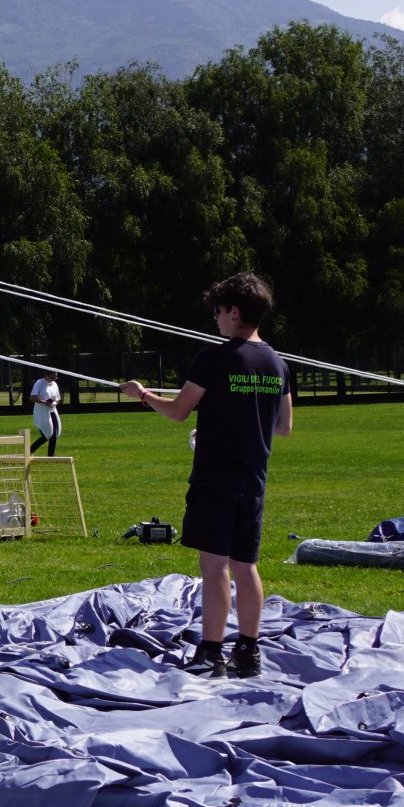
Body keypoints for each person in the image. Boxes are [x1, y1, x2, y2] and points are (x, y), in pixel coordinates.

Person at [121, 273, 292, 678]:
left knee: (215, 567)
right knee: (246, 565)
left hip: (216, 478)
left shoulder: (214, 358)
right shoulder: (277, 362)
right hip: (253, 479)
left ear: (234, 312)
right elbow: (283, 426)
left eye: (217, 312)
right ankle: (248, 652)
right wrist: (229, 423)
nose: (215, 320)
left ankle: (211, 651)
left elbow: (179, 410)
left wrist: (142, 395)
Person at [28, 374, 63, 456]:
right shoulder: (39, 383)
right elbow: (32, 397)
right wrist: (45, 402)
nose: (53, 380)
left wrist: (53, 402)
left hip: (52, 410)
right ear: (47, 375)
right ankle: (30, 450)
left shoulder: (54, 384)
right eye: (52, 377)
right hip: (41, 411)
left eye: (55, 378)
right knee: (47, 434)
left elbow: (57, 398)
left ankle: (51, 456)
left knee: (55, 434)